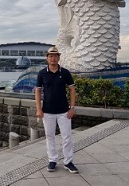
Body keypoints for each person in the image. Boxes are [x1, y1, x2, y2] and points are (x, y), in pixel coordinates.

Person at [35, 46, 78, 174]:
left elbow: (72, 89)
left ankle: (68, 161)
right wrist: (38, 109)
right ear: (47, 58)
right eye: (51, 56)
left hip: (64, 111)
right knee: (50, 136)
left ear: (59, 58)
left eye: (55, 56)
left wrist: (72, 108)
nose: (53, 58)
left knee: (67, 137)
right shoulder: (42, 73)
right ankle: (52, 160)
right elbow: (37, 91)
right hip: (47, 111)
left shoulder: (65, 73)